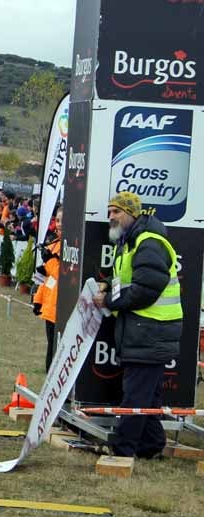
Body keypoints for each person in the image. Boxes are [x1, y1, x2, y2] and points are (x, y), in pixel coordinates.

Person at [92, 192, 181, 460]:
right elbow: (128, 279)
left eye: (116, 212)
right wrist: (107, 282)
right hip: (145, 331)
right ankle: (151, 445)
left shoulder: (148, 243)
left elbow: (144, 291)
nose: (111, 217)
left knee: (134, 397)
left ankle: (122, 450)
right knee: (147, 398)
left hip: (151, 332)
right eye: (109, 212)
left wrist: (108, 300)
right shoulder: (128, 243)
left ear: (133, 214)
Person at [32, 207, 62, 372]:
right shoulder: (54, 244)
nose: (60, 224)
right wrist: (38, 300)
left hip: (62, 306)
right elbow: (48, 279)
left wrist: (49, 263)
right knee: (51, 345)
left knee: (58, 348)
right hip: (50, 305)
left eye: (64, 220)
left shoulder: (71, 245)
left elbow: (62, 275)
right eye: (57, 220)